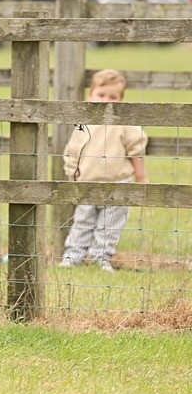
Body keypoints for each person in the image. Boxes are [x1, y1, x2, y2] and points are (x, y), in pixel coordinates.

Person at [60, 69, 148, 272]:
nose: (106, 101)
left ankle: (102, 258)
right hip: (87, 183)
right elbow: (73, 152)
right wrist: (72, 178)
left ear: (121, 100)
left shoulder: (124, 123)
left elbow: (137, 149)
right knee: (82, 221)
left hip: (118, 184)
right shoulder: (83, 125)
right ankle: (73, 256)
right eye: (101, 95)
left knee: (110, 225)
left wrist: (140, 176)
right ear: (90, 96)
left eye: (113, 97)